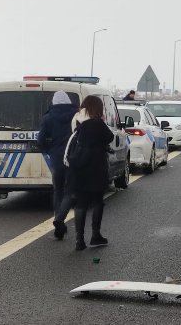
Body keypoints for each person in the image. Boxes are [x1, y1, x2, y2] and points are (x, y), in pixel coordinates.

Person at [66, 95, 114, 250]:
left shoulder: (77, 121)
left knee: (81, 204)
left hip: (78, 168)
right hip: (95, 169)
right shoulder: (97, 124)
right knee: (97, 202)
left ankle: (79, 240)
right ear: (97, 108)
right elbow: (110, 137)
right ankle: (95, 235)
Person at [37, 91, 77, 239]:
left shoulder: (48, 118)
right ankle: (60, 219)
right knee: (71, 190)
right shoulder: (76, 116)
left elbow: (40, 140)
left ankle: (57, 218)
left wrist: (49, 150)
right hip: (73, 157)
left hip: (56, 158)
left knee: (58, 190)